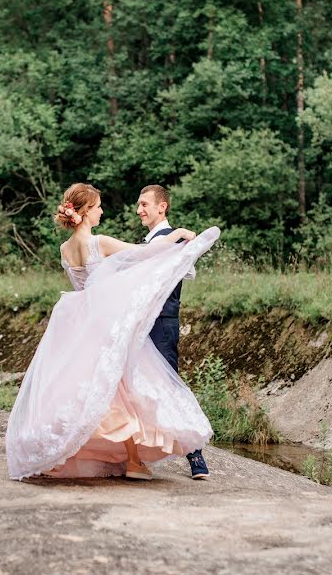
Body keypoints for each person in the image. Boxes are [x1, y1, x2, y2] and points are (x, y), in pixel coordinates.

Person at [5, 183, 220, 480]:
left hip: (77, 324)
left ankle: (60, 452)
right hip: (101, 324)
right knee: (118, 390)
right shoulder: (99, 242)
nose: (102, 211)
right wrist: (179, 236)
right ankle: (133, 461)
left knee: (78, 389)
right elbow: (144, 254)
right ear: (85, 212)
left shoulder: (64, 249)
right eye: (98, 207)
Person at [136, 184, 210, 479]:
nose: (139, 210)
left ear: (161, 206)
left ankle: (196, 456)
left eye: (144, 204)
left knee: (168, 383)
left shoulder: (175, 239)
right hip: (140, 322)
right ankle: (134, 453)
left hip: (162, 322)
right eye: (139, 205)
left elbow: (180, 274)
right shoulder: (150, 241)